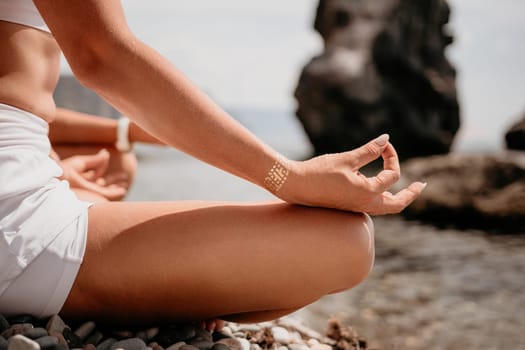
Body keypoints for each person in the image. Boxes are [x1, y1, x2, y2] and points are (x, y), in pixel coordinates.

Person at [0, 0, 426, 328]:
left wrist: (63, 157)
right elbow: (101, 53)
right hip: (12, 225)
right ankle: (180, 297)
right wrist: (287, 177)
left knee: (117, 163)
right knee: (349, 241)